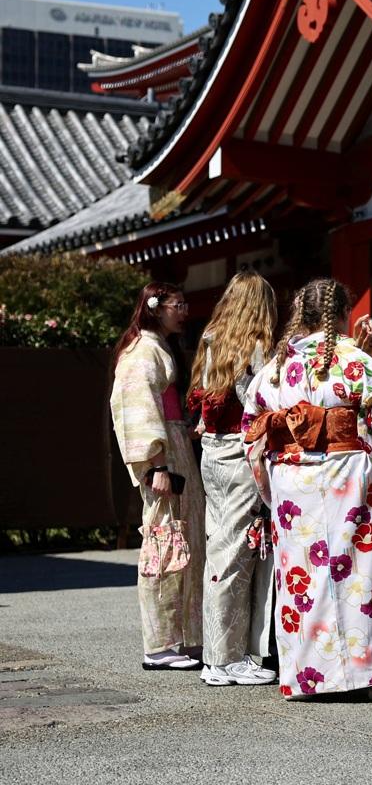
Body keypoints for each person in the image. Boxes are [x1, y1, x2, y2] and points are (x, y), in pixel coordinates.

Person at [242, 279, 372, 702]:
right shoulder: (359, 362)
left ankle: (308, 676)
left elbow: (252, 431)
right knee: (366, 572)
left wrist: (270, 488)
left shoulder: (275, 369)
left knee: (306, 577)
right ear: (343, 315)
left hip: (292, 480)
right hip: (352, 475)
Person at [186, 271, 277, 686]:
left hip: (212, 452)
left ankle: (217, 654)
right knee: (237, 553)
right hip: (240, 454)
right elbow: (257, 402)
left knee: (219, 546)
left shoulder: (211, 340)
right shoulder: (255, 346)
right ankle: (226, 658)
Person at [110, 282, 205, 671]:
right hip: (163, 452)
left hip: (175, 443)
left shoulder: (156, 346)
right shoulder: (141, 352)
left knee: (184, 538)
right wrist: (155, 464)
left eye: (184, 302)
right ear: (155, 307)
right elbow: (135, 407)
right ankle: (160, 642)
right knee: (166, 541)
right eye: (176, 304)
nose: (183, 310)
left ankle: (181, 635)